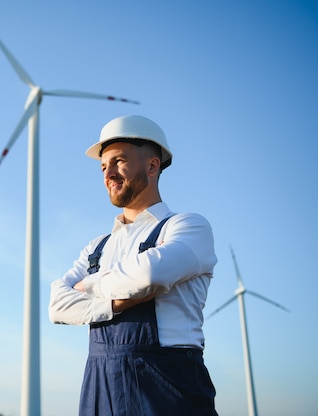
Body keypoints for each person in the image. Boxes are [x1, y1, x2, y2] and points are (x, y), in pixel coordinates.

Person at [48, 115, 219, 415]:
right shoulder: (96, 247)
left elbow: (151, 273)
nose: (108, 174)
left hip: (167, 384)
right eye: (103, 166)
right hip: (99, 383)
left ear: (152, 166)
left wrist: (89, 285)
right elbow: (57, 305)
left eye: (119, 161)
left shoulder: (187, 227)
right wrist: (116, 302)